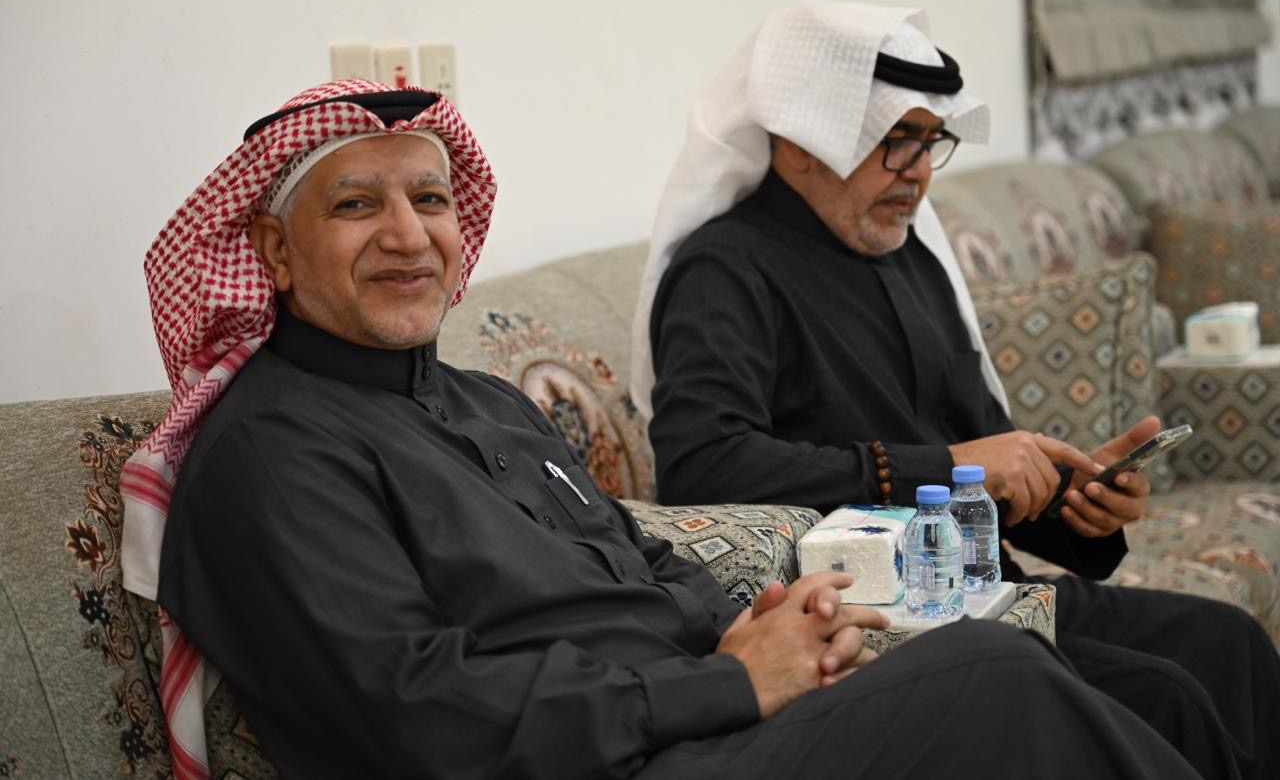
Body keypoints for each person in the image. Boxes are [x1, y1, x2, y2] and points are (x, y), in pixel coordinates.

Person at [119, 79, 1196, 780]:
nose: (408, 236)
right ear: (273, 251)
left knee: (1154, 682)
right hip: (611, 763)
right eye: (357, 206)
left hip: (693, 726)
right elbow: (415, 713)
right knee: (994, 680)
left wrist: (762, 627)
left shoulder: (488, 402)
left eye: (431, 201)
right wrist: (728, 682)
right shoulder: (271, 455)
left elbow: (639, 558)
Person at [635, 0, 1279, 780]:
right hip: (878, 624)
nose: (917, 171)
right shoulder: (725, 272)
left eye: (929, 141)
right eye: (895, 140)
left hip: (985, 589)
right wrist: (941, 466)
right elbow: (702, 468)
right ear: (801, 143)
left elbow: (987, 459)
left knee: (1231, 643)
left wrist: (1077, 502)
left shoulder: (909, 258)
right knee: (1168, 695)